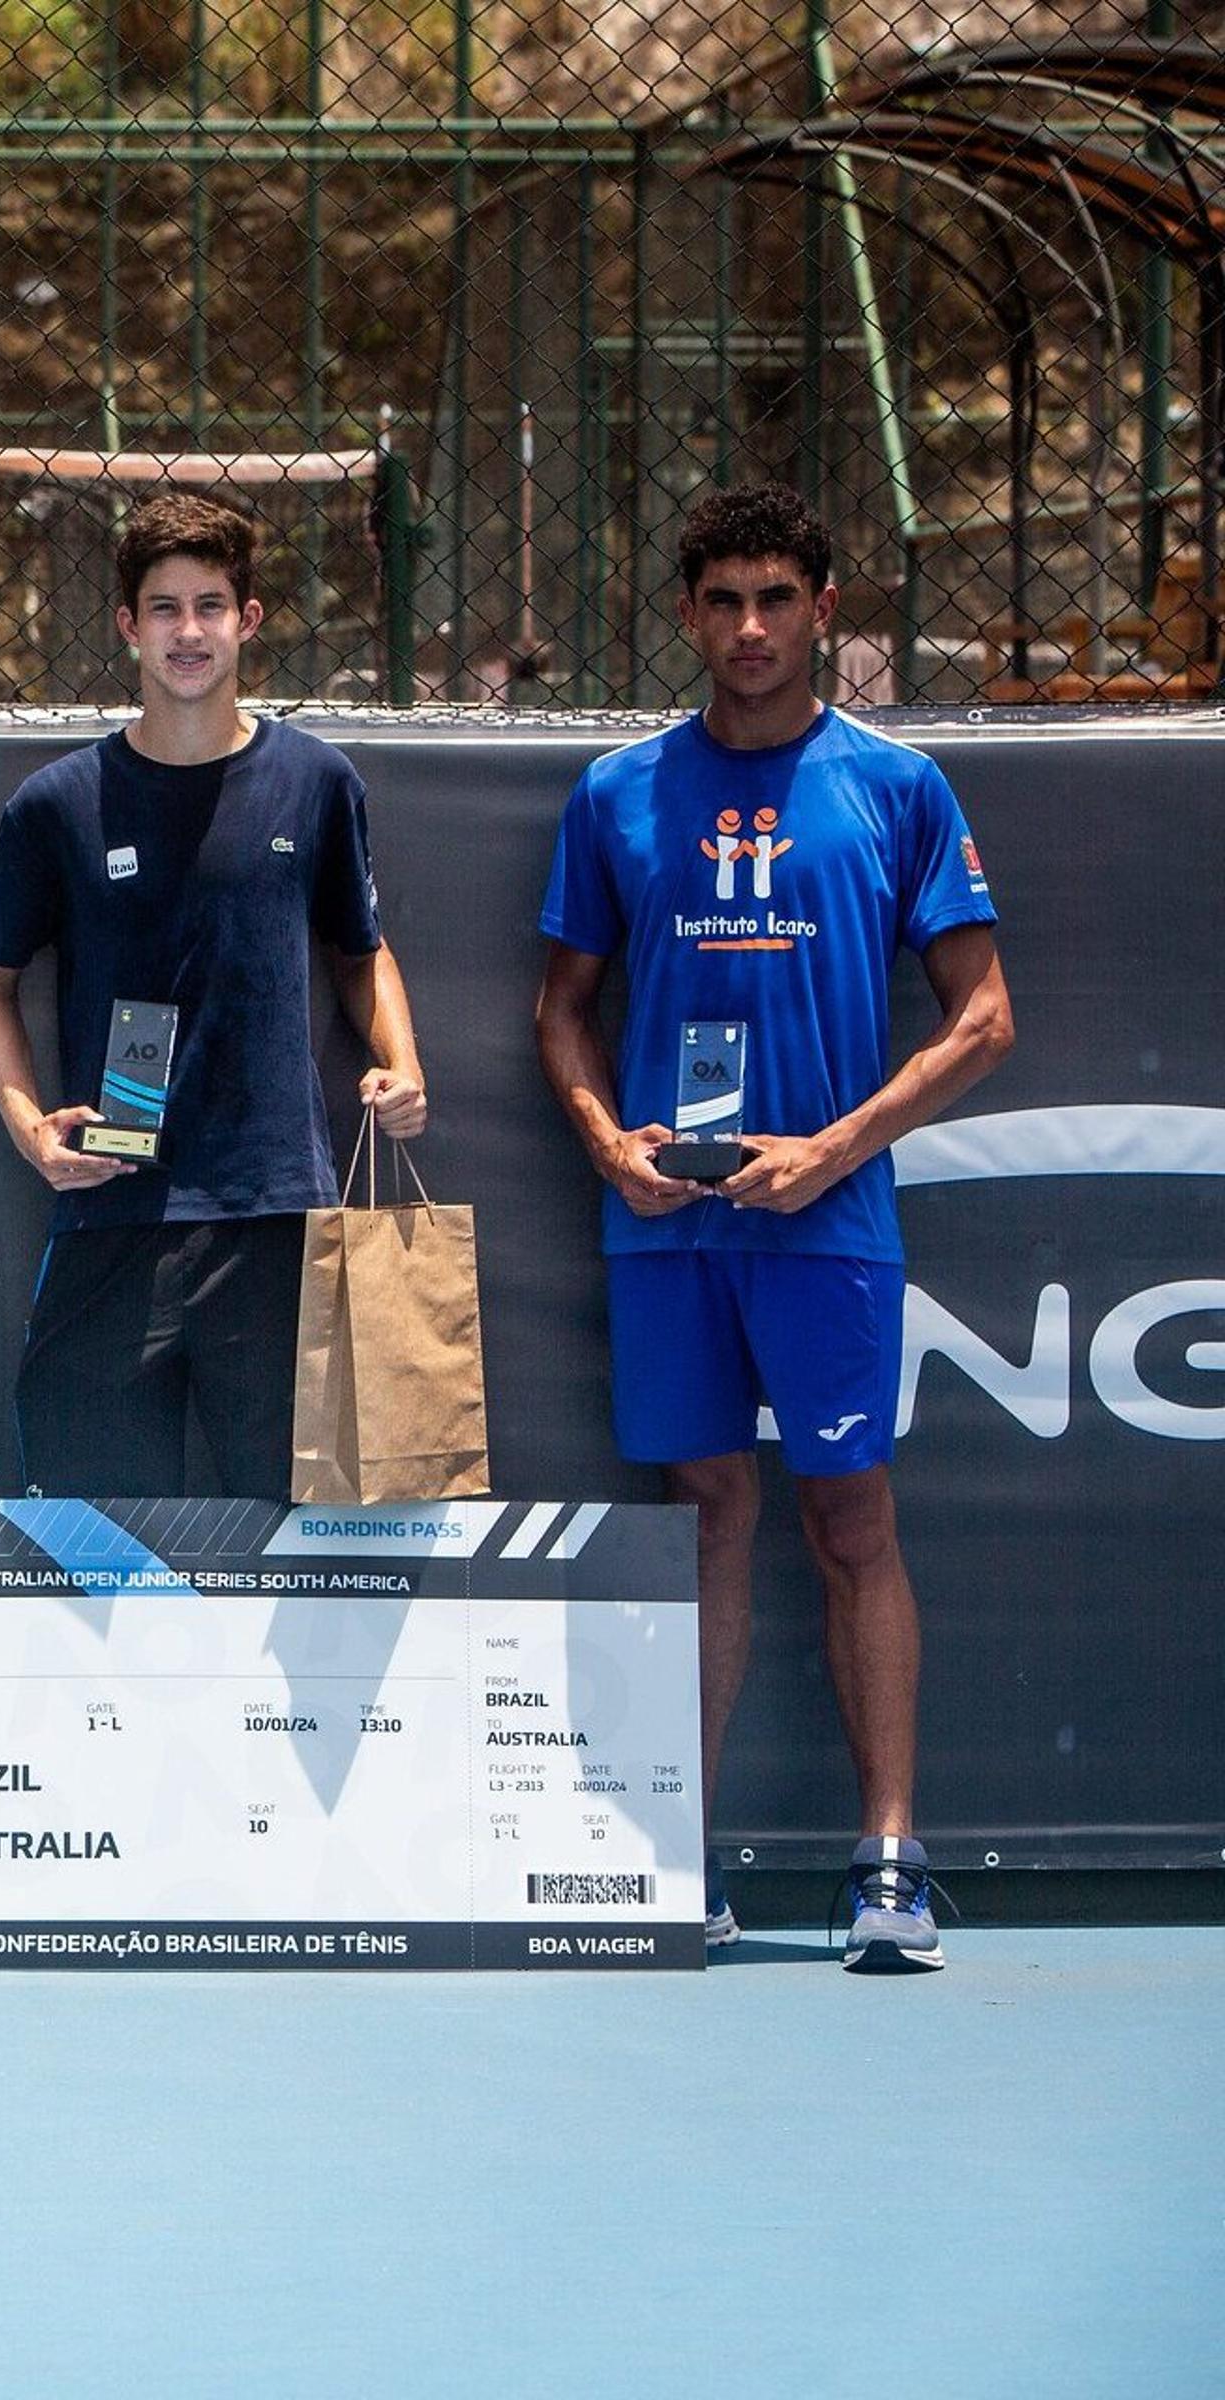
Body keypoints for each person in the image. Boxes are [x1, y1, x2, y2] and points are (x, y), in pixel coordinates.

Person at [534, 483, 1011, 1973]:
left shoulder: (898, 784)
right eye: (723, 601)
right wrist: (612, 1147)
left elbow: (985, 1019)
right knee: (706, 1516)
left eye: (778, 599)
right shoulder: (618, 792)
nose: (750, 628)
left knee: (849, 1517)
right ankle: (683, 1852)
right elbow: (561, 1010)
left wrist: (834, 1150)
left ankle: (888, 1864)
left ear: (824, 610)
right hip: (669, 1230)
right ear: (687, 617)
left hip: (831, 1222)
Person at [0, 492, 429, 1498]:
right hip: (112, 1211)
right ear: (128, 625)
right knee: (95, 1546)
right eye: (163, 608)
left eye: (210, 605)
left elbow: (361, 952)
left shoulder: (316, 779)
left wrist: (403, 1063)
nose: (188, 631)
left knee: (310, 1545)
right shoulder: (55, 803)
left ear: (247, 621)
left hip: (278, 1211)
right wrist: (31, 1127)